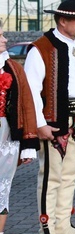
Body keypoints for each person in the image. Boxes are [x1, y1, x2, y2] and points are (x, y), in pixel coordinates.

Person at [24, 0, 75, 234]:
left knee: (70, 174)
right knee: (51, 176)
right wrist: (39, 123)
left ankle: (64, 225)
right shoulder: (41, 49)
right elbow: (31, 91)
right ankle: (47, 228)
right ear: (62, 20)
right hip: (55, 121)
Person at [0, 24, 38, 234]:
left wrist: (28, 144)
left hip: (7, 134)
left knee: (3, 185)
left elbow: (26, 105)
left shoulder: (14, 68)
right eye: (0, 36)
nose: (5, 39)